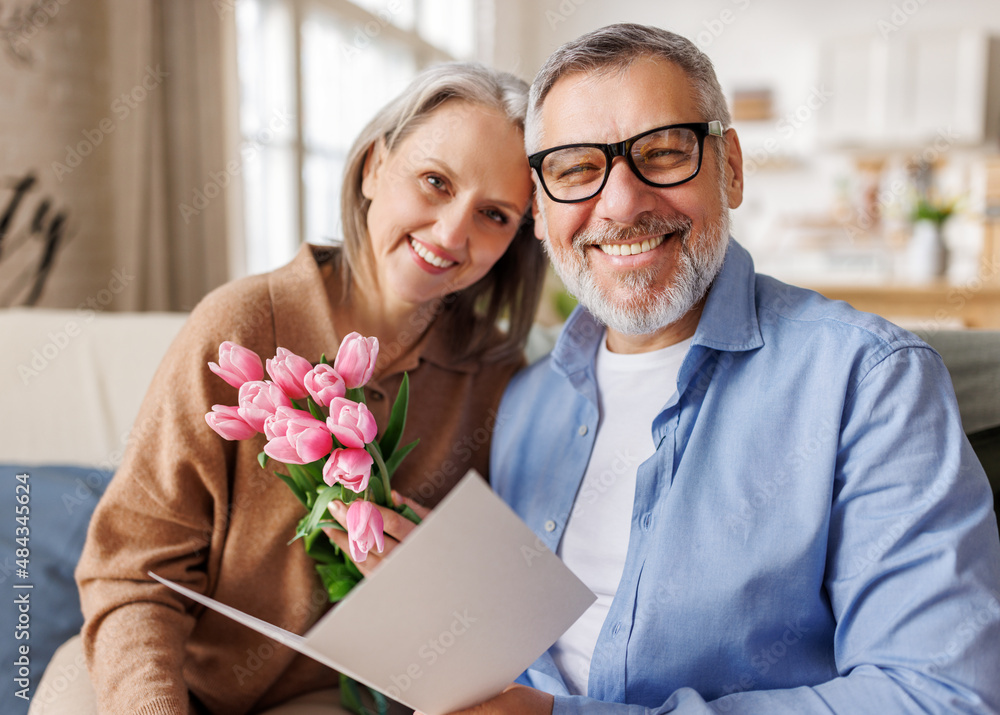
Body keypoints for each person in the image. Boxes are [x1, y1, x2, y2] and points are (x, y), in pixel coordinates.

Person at [469, 23, 1000, 714]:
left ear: (733, 168)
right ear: (540, 211)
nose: (623, 202)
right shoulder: (523, 399)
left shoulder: (870, 382)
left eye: (663, 153)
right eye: (575, 168)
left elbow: (939, 694)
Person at [36, 63, 546, 714]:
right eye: (434, 181)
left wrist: (431, 581)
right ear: (372, 168)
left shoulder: (498, 381)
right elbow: (133, 571)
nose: (451, 234)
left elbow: (493, 628)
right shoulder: (241, 325)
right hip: (162, 672)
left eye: (494, 214)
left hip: (325, 699)